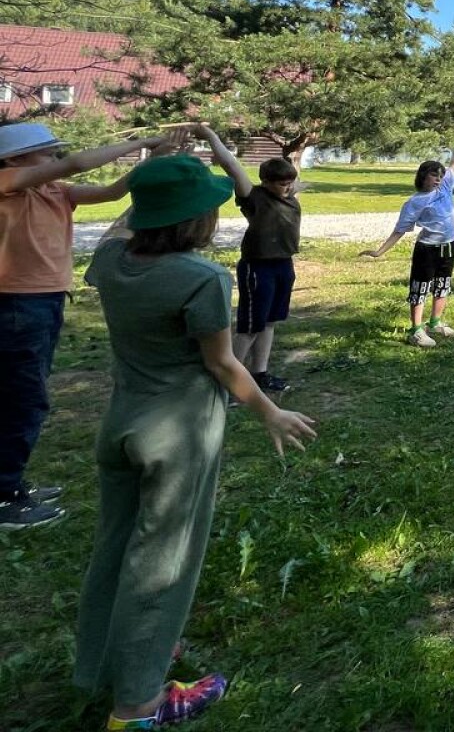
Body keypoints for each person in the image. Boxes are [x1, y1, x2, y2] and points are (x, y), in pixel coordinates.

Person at [74, 152, 315, 729]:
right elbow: (223, 364)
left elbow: (122, 225)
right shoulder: (202, 278)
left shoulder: (111, 261)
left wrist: (151, 174)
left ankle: (109, 661)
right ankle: (137, 705)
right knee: (164, 559)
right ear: (197, 219)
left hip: (122, 423)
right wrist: (271, 413)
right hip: (177, 434)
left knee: (116, 546)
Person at [0, 123, 179, 531]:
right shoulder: (7, 183)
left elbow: (114, 192)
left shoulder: (55, 192)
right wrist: (141, 142)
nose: (56, 159)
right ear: (13, 159)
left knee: (22, 393)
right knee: (23, 400)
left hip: (43, 303)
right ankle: (4, 496)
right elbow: (77, 163)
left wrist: (155, 159)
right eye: (48, 153)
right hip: (15, 305)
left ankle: (11, 483)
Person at [196, 126, 301, 393]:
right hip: (258, 267)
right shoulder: (254, 198)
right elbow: (232, 166)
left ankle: (259, 374)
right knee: (250, 327)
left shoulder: (289, 195)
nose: (288, 188)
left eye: (290, 183)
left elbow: (292, 183)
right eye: (282, 184)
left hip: (283, 264)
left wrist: (291, 183)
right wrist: (210, 136)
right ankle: (228, 383)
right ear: (265, 182)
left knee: (269, 322)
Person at [359, 132, 454, 346]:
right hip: (427, 250)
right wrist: (379, 252)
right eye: (433, 175)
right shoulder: (414, 202)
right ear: (423, 176)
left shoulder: (446, 187)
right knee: (420, 288)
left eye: (440, 175)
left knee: (443, 285)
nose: (438, 179)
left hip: (449, 245)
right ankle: (416, 331)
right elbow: (399, 230)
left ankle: (435, 323)